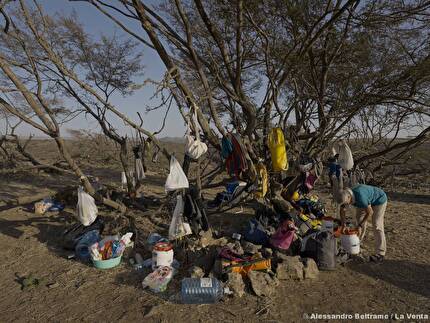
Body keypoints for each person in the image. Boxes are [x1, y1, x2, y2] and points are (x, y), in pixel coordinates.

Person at [338, 184, 388, 263]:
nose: (347, 205)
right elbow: (342, 210)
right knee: (358, 219)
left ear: (349, 197)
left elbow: (370, 212)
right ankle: (357, 243)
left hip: (379, 200)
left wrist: (360, 225)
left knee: (377, 224)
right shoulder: (345, 196)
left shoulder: (360, 197)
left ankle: (380, 253)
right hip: (366, 201)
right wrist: (343, 224)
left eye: (347, 203)